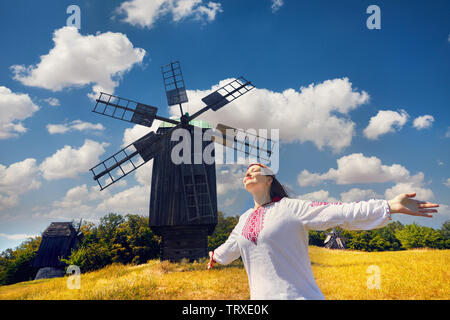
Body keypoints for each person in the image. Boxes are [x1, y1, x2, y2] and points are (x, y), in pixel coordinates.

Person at [206, 163, 439, 300]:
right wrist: (215, 256)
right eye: (247, 170)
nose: (249, 172)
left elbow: (340, 212)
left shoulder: (291, 208)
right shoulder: (245, 219)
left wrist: (388, 206)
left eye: (256, 170)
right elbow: (231, 247)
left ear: (269, 180)